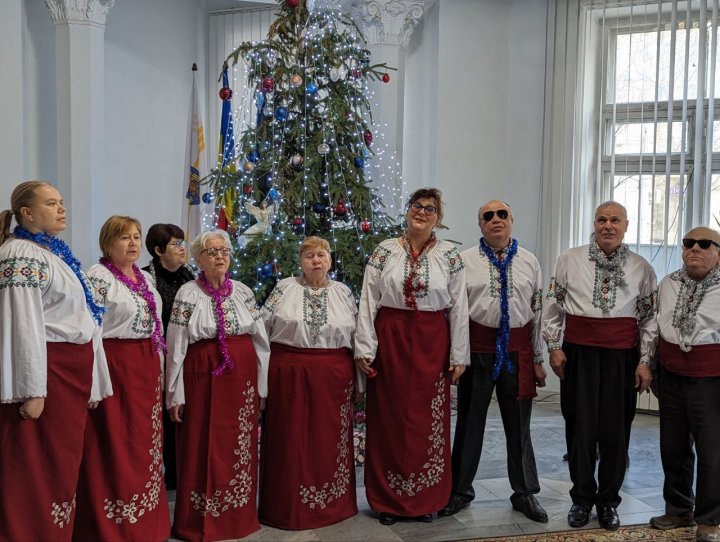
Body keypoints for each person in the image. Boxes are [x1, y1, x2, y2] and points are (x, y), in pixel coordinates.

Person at [0, 180, 111, 541]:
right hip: (48, 372)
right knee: (35, 467)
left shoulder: (55, 252)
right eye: (51, 203)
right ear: (27, 213)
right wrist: (31, 389)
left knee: (61, 466)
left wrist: (94, 379)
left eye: (62, 201)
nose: (62, 208)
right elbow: (22, 324)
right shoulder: (20, 254)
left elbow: (86, 320)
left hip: (70, 373)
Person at [355, 187, 470, 525]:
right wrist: (365, 347)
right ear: (407, 210)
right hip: (391, 337)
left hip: (432, 341)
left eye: (430, 209)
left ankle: (425, 499)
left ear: (439, 218)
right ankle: (387, 500)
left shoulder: (450, 256)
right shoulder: (384, 251)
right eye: (417, 206)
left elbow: (459, 308)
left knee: (427, 421)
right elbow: (367, 301)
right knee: (389, 418)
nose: (422, 213)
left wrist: (459, 353)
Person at [543, 201, 656, 531]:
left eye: (615, 220)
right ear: (594, 223)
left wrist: (646, 360)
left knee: (615, 430)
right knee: (579, 426)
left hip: (622, 358)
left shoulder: (641, 267)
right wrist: (554, 346)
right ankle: (581, 498)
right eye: (602, 219)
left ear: (626, 225)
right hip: (579, 355)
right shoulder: (569, 259)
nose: (608, 225)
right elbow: (552, 307)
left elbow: (649, 319)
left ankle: (608, 501)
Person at [440, 200, 548, 523]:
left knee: (519, 425)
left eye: (502, 214)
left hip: (517, 352)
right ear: (480, 225)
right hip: (478, 351)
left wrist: (538, 356)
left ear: (512, 220)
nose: (496, 220)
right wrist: (457, 355)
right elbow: (455, 312)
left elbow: (538, 313)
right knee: (470, 422)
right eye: (488, 216)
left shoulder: (530, 261)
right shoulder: (464, 262)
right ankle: (460, 490)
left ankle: (524, 492)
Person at [166, 230, 270, 542]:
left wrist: (262, 387)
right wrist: (174, 392)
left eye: (224, 250)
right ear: (198, 258)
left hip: (242, 377)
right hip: (201, 375)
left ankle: (237, 517)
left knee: (239, 443)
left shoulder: (244, 292)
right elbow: (176, 346)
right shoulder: (187, 293)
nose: (220, 256)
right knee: (199, 441)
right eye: (212, 251)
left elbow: (261, 341)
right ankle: (197, 521)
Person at [73, 216, 171, 541]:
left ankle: (146, 524)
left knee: (144, 445)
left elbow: (155, 325)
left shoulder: (144, 277)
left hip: (145, 367)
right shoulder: (98, 276)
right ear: (108, 243)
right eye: (124, 237)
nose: (132, 243)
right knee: (114, 442)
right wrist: (96, 379)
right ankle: (112, 527)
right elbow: (92, 329)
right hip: (115, 366)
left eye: (136, 236)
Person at [259, 236, 358, 529]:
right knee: (290, 440)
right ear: (300, 261)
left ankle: (333, 504)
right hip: (288, 375)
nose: (316, 260)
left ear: (330, 260)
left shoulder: (343, 292)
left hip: (333, 378)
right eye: (309, 255)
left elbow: (357, 337)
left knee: (328, 441)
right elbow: (262, 331)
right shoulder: (283, 289)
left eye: (322, 255)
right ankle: (285, 508)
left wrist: (360, 380)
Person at [650, 227, 720, 542]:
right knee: (673, 447)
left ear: (718, 252)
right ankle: (678, 509)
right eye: (689, 243)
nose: (695, 248)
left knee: (712, 452)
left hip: (711, 380)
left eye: (704, 244)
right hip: (671, 376)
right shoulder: (668, 283)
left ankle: (709, 519)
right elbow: (654, 325)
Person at [143, 222, 195, 490]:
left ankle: (182, 472)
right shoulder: (146, 279)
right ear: (158, 250)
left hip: (189, 357)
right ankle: (163, 474)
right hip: (159, 355)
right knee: (163, 416)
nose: (181, 249)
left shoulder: (192, 277)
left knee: (185, 414)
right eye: (175, 244)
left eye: (182, 243)